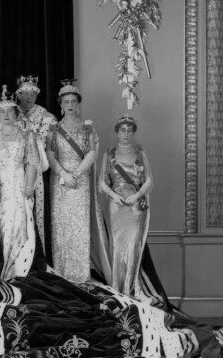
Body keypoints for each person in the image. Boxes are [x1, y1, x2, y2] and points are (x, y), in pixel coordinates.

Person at [0, 85, 39, 280]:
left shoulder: (26, 135)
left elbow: (32, 162)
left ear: (16, 113)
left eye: (9, 111)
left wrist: (29, 187)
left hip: (17, 186)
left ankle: (13, 267)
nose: (6, 115)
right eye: (2, 111)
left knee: (15, 224)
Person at [94, 114, 153, 296]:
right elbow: (101, 183)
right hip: (116, 206)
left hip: (135, 207)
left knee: (132, 246)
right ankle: (117, 287)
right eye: (122, 130)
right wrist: (114, 196)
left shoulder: (140, 152)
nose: (126, 133)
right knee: (118, 246)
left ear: (133, 132)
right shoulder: (109, 153)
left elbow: (149, 181)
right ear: (117, 132)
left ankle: (129, 288)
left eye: (129, 130)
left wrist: (136, 196)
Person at [46, 80, 98, 284]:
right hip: (60, 180)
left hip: (80, 178)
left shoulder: (87, 128)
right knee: (61, 225)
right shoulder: (53, 128)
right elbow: (50, 155)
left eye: (73, 101)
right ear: (61, 104)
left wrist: (75, 174)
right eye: (66, 101)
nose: (70, 105)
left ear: (78, 104)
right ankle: (62, 272)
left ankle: (81, 274)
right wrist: (63, 174)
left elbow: (91, 153)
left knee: (79, 225)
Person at [16, 74, 57, 252]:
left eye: (33, 93)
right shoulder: (10, 112)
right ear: (19, 95)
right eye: (25, 93)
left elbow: (48, 144)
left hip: (37, 167)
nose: (29, 96)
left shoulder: (46, 116)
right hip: (15, 168)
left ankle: (37, 254)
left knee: (36, 208)